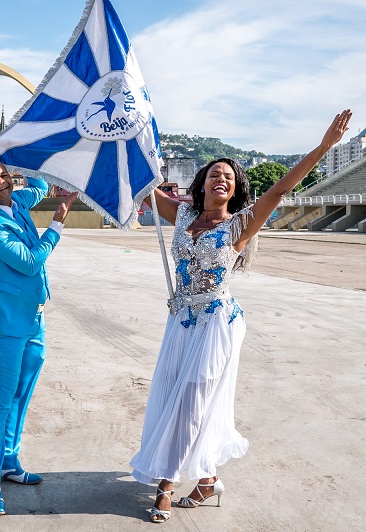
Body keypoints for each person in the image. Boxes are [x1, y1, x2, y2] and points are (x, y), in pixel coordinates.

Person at [130, 110, 352, 523]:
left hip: (217, 322)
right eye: (215, 172)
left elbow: (282, 189)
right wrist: (122, 134)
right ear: (202, 183)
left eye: (229, 177)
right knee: (174, 396)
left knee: (193, 399)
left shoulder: (239, 226)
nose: (222, 178)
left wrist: (323, 148)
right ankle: (208, 481)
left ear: (235, 191)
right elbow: (136, 184)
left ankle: (166, 482)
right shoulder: (179, 214)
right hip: (181, 321)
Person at [0, 160, 78, 515]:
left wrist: (25, 156)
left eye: (4, 175)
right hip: (6, 322)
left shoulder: (17, 200)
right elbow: (31, 262)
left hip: (34, 316)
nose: (0, 182)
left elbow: (39, 186)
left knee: (23, 391)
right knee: (1, 398)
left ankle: (8, 460)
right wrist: (57, 225)